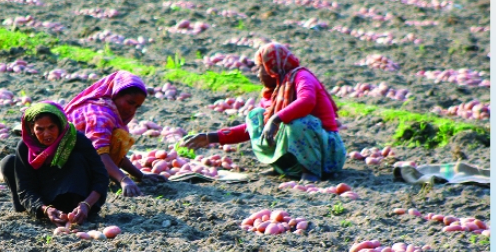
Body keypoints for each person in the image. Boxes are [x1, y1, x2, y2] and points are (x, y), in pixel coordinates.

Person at [183, 43, 346, 182]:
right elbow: (251, 129)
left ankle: (310, 173)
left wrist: (275, 120)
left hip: (327, 154)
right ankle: (283, 167)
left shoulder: (302, 77)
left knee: (297, 123)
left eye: (260, 67)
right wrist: (212, 137)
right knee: (257, 116)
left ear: (272, 68)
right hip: (308, 150)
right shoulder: (273, 94)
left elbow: (307, 101)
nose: (258, 73)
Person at [0, 102, 109, 225]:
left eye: (51, 127)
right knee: (8, 163)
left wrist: (86, 204)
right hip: (44, 197)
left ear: (60, 125)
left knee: (76, 157)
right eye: (40, 129)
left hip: (74, 196)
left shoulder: (76, 139)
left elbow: (101, 176)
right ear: (31, 129)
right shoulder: (25, 147)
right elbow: (26, 188)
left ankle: (75, 210)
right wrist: (45, 209)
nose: (46, 134)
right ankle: (33, 208)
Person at [64, 70, 166, 197]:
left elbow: (113, 151)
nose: (131, 110)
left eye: (137, 107)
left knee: (118, 137)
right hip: (64, 163)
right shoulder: (101, 115)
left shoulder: (111, 111)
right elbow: (100, 153)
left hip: (82, 157)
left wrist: (140, 175)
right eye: (130, 102)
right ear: (116, 94)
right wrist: (123, 179)